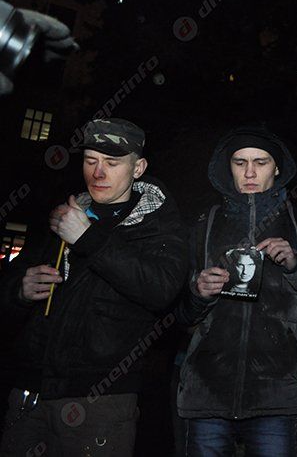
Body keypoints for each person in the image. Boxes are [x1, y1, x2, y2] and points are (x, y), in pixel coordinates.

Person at [0, 118, 189, 456]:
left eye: (112, 163)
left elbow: (161, 290)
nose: (98, 173)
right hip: (31, 391)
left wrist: (88, 238)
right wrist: (20, 290)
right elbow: (8, 290)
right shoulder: (66, 214)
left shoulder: (158, 225)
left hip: (101, 400)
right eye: (90, 161)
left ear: (138, 168)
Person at [175, 125, 297, 457]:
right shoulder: (204, 224)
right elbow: (179, 314)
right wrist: (199, 291)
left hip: (277, 395)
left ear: (277, 168)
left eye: (260, 162)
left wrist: (296, 265)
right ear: (227, 167)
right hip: (207, 394)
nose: (249, 172)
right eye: (240, 162)